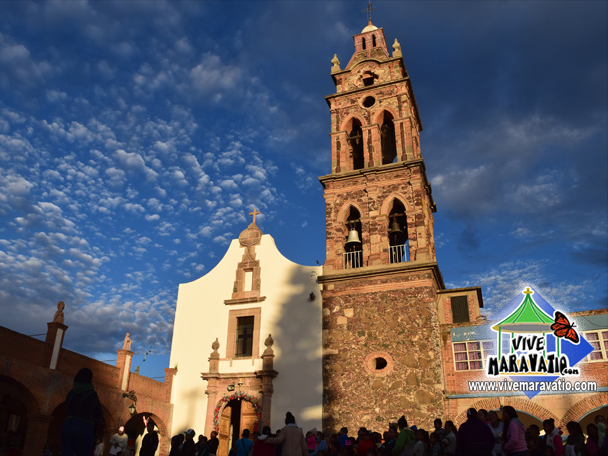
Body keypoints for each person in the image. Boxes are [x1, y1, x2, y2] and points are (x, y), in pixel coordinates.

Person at [61, 368, 103, 456]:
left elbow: (66, 407)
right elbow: (99, 415)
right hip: (84, 426)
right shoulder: (91, 394)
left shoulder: (71, 392)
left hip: (68, 424)